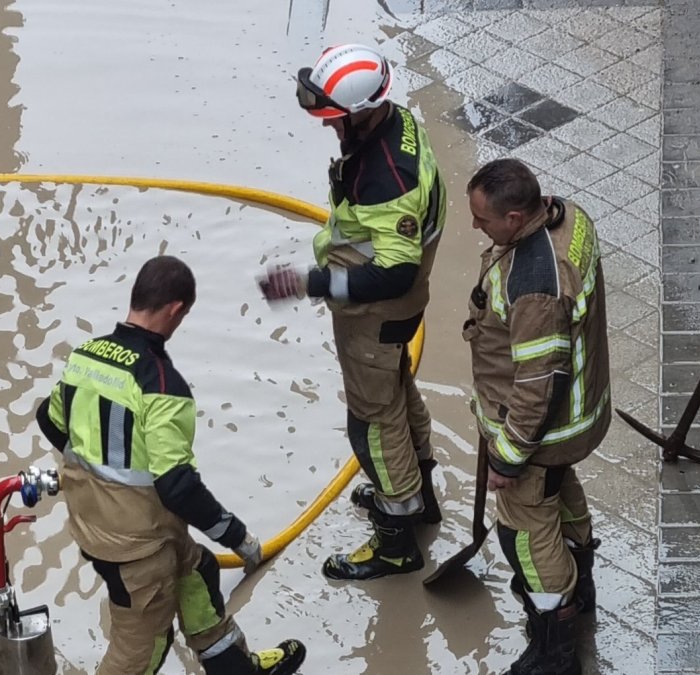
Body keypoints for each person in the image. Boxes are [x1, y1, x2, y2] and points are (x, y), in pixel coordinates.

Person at [35, 255, 306, 675]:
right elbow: (177, 486)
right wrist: (238, 537)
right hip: (136, 546)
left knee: (198, 571)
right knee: (142, 649)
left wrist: (97, 475)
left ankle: (238, 671)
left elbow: (49, 421)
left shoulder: (85, 356)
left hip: (99, 525)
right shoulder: (161, 383)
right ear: (176, 310)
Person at [260, 43, 447, 580]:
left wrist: (311, 282)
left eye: (334, 118)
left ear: (362, 110)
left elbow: (394, 270)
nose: (327, 126)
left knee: (370, 421)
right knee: (397, 393)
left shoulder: (387, 178)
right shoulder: (397, 123)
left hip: (377, 310)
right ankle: (419, 494)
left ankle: (395, 538)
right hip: (396, 312)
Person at [464, 159, 609, 674]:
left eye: (483, 219)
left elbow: (536, 387)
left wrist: (506, 457)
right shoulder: (571, 218)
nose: (476, 227)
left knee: (522, 532)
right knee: (558, 489)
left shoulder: (533, 286)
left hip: (543, 434)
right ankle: (581, 579)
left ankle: (555, 642)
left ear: (516, 215)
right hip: (580, 416)